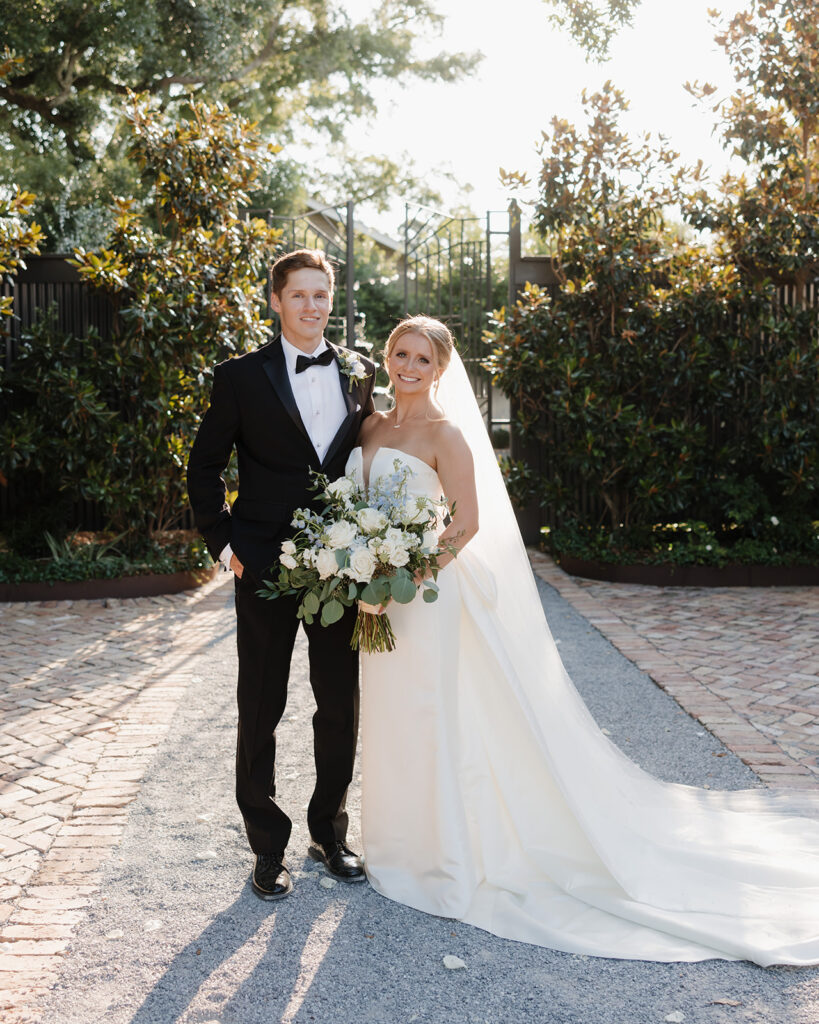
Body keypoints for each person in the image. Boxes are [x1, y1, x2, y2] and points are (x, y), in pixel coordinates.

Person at [346, 314, 819, 966]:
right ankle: (396, 845)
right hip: (375, 597)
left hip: (421, 597)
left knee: (433, 715)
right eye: (400, 353)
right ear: (387, 356)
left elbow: (466, 524)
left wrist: (402, 577)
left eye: (422, 359)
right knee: (390, 717)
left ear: (440, 368)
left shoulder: (445, 434)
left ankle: (442, 854)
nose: (407, 367)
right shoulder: (371, 426)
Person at [188, 249, 375, 900]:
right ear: (275, 301)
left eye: (321, 295)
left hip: (341, 559)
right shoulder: (240, 377)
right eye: (298, 295)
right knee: (261, 703)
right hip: (262, 560)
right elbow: (203, 466)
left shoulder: (359, 371)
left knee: (339, 704)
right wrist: (224, 545)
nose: (311, 306)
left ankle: (329, 831)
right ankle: (267, 848)